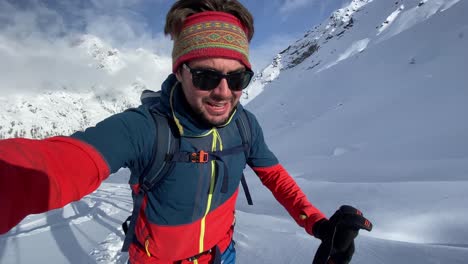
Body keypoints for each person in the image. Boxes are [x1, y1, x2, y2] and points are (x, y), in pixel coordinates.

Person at [0, 0, 372, 263]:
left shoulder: (244, 123)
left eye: (237, 77)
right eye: (206, 76)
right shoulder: (146, 127)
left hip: (222, 256)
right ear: (179, 72)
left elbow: (274, 176)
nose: (224, 92)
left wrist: (318, 224)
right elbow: (59, 163)